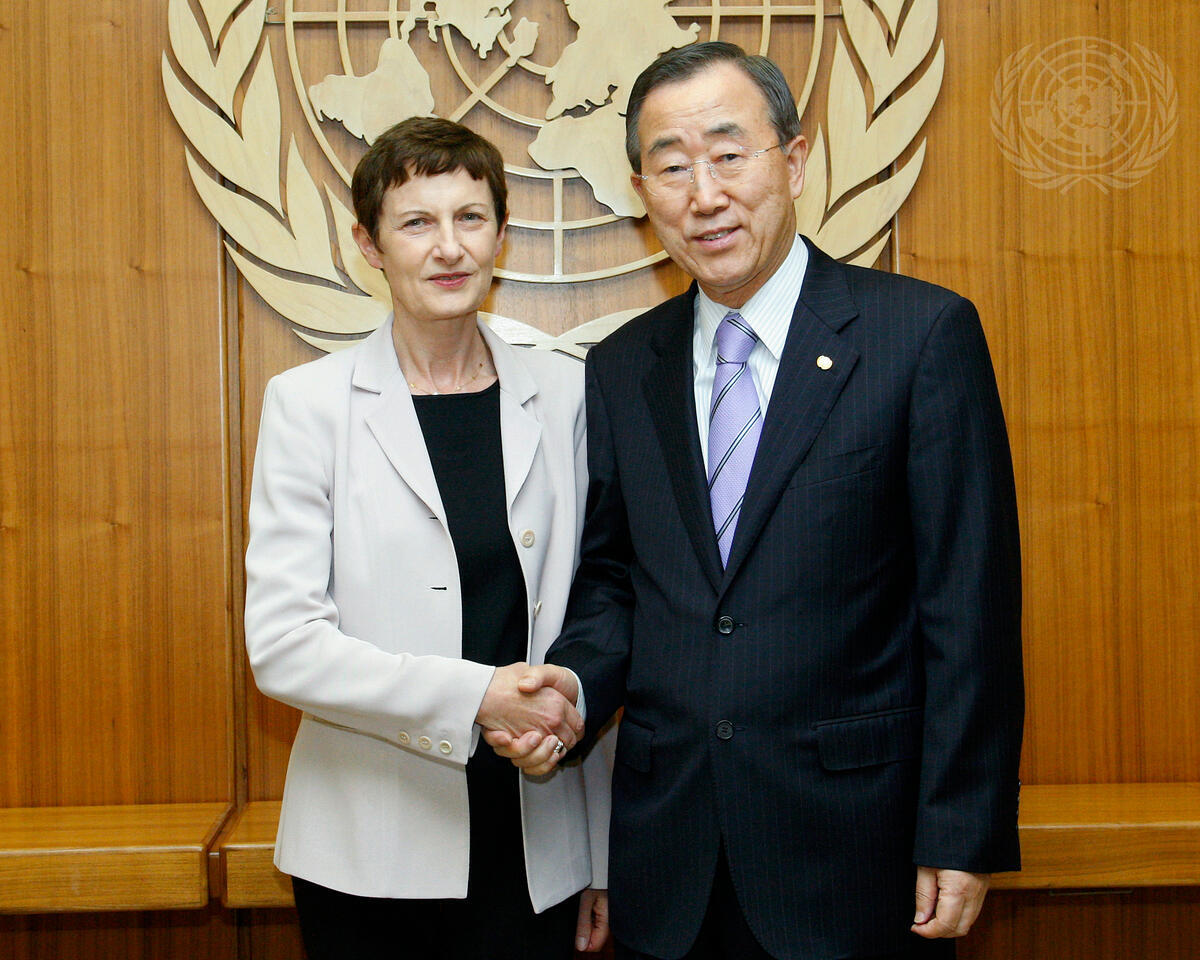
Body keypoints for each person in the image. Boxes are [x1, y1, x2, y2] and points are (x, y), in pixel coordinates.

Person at [484, 41, 1024, 960]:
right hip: (669, 857)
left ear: (795, 160)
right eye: (672, 166)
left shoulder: (919, 335)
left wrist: (961, 827)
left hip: (856, 852)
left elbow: (968, 607)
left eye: (730, 155)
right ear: (641, 191)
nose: (705, 194)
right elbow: (616, 582)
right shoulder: (623, 367)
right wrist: (570, 690)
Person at [243, 117, 610, 960]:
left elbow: (597, 610)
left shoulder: (567, 395)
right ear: (369, 246)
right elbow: (285, 647)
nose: (449, 247)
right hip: (366, 848)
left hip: (537, 838)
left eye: (470, 218)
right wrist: (477, 697)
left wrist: (599, 853)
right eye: (416, 222)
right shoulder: (308, 405)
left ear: (501, 236)